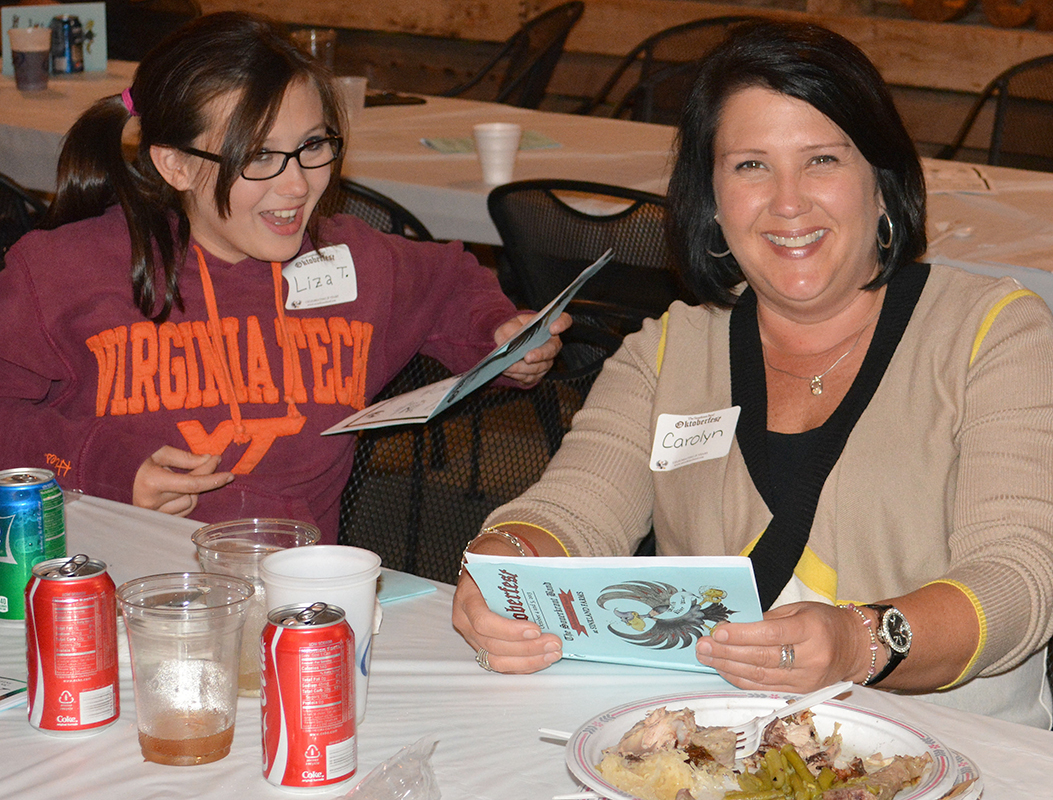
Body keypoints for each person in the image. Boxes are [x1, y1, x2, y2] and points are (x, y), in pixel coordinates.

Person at [452, 19, 1053, 727]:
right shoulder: (668, 350)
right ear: (709, 200)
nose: (787, 201)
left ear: (881, 182)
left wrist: (858, 640)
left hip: (954, 750)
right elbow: (571, 510)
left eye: (822, 160)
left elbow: (1019, 577)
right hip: (718, 748)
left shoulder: (992, 331)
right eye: (749, 165)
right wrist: (502, 568)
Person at [0, 11, 567, 543]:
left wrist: (498, 336)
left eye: (312, 146)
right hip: (117, 586)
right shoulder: (61, 273)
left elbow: (448, 280)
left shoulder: (354, 262)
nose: (297, 186)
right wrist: (102, 464)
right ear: (174, 164)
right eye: (260, 157)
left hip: (295, 600)